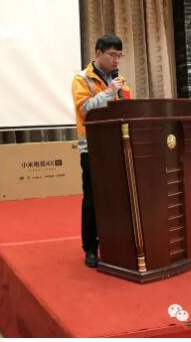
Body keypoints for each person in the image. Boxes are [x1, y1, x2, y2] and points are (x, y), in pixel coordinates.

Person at [71, 33, 132, 268]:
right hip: (93, 148)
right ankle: (90, 248)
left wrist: (119, 94)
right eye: (112, 55)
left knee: (118, 196)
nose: (116, 60)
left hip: (118, 145)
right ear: (98, 53)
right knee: (93, 199)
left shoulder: (120, 81)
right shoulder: (81, 79)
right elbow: (85, 109)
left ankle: (116, 241)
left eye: (119, 56)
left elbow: (128, 109)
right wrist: (108, 92)